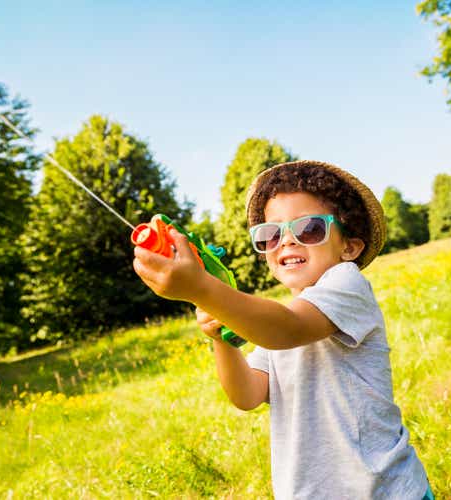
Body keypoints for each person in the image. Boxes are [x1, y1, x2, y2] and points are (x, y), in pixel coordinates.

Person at [133, 160, 433, 499]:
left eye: (309, 229)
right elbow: (247, 395)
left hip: (383, 490)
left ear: (348, 247)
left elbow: (288, 330)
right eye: (271, 234)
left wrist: (202, 289)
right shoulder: (278, 319)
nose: (286, 241)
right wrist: (222, 338)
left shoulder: (345, 284)